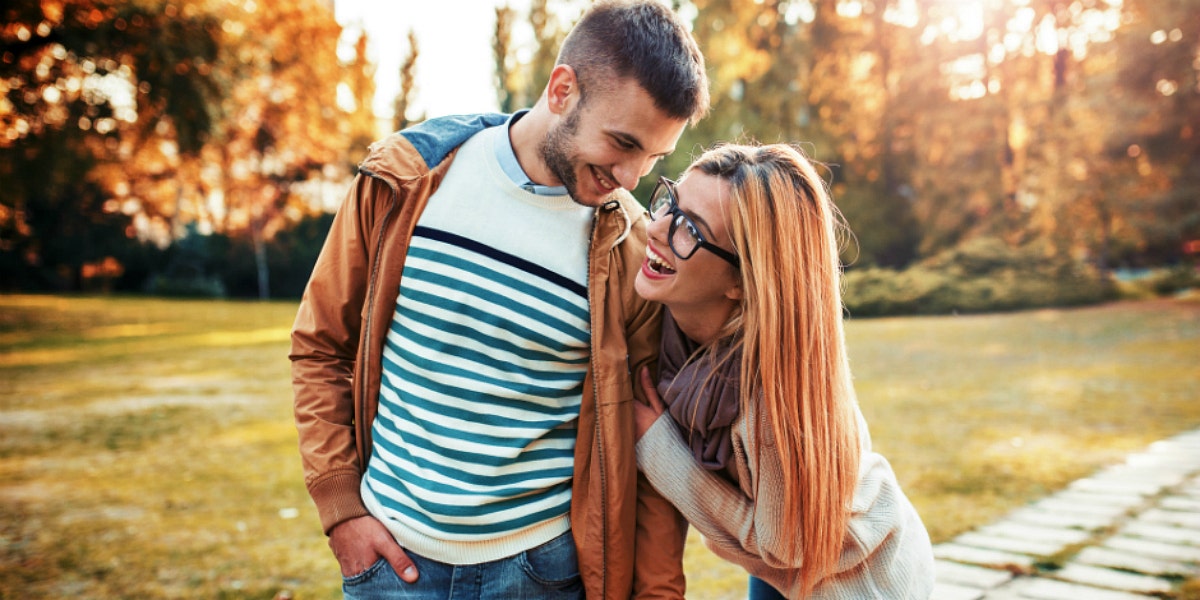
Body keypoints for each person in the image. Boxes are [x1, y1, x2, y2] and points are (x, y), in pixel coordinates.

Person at [289, 2, 709, 598]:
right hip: (390, 564)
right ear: (562, 89)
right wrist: (341, 511)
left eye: (655, 158)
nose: (632, 175)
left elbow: (646, 447)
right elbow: (320, 345)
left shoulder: (631, 247)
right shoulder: (407, 179)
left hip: (542, 574)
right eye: (622, 142)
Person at [632, 143, 935, 599]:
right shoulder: (683, 328)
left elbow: (782, 544)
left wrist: (657, 447)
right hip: (783, 571)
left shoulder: (770, 396)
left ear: (742, 281)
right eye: (669, 203)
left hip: (855, 581)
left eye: (689, 229)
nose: (655, 229)